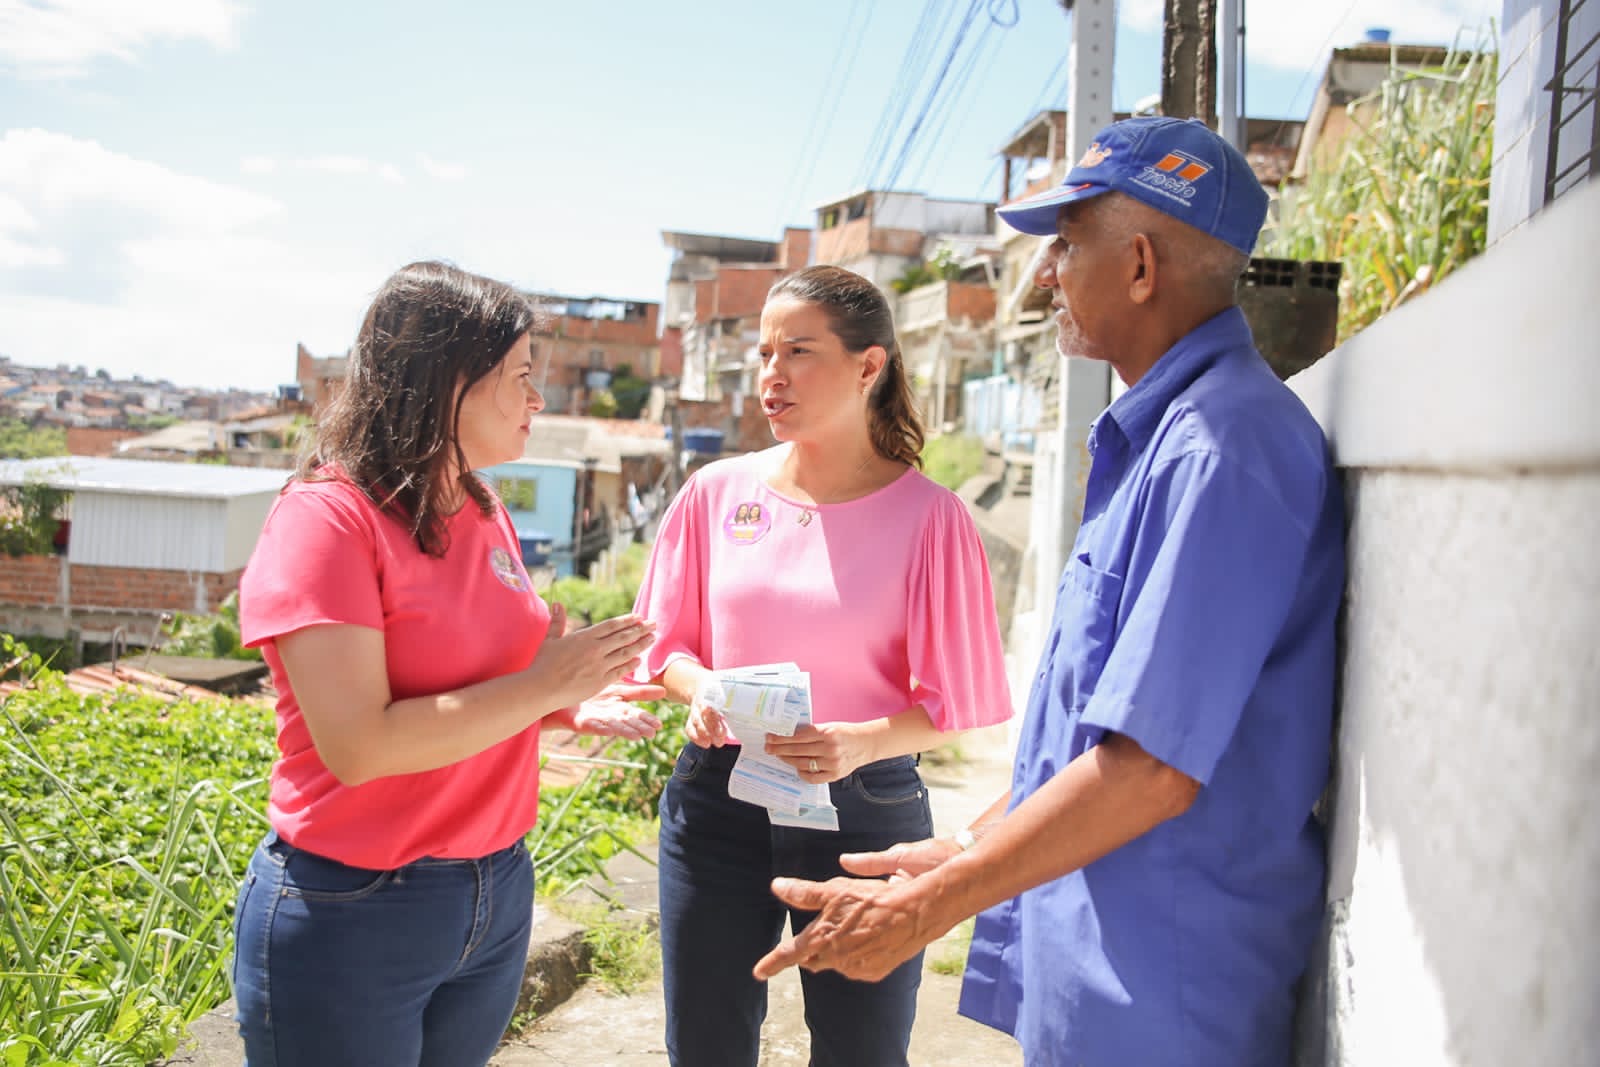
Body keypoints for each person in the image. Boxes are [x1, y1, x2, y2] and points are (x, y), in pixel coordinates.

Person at [754, 117, 1346, 1067]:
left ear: (1142, 266)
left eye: (1068, 245)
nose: (1045, 274)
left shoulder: (1223, 449)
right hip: (1102, 971)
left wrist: (925, 907)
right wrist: (960, 852)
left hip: (1163, 997)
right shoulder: (1162, 439)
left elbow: (1152, 766)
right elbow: (1088, 730)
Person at [231, 260, 664, 1067]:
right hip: (355, 907)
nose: (539, 399)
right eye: (521, 376)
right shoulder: (327, 520)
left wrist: (564, 702)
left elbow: (482, 672)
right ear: (447, 379)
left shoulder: (481, 505)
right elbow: (360, 747)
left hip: (494, 890)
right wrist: (545, 684)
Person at [632, 264, 1014, 1067]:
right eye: (766, 353)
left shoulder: (931, 518)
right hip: (717, 797)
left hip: (864, 814)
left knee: (862, 1054)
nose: (772, 374)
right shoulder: (713, 492)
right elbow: (662, 644)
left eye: (797, 351)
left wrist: (858, 743)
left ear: (869, 366)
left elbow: (956, 701)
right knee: (702, 1045)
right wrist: (702, 688)